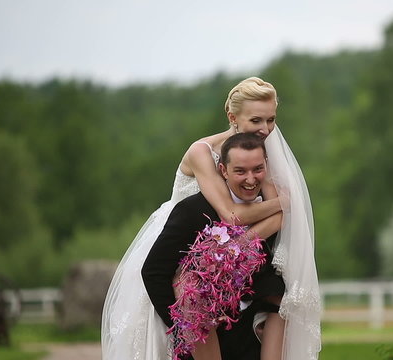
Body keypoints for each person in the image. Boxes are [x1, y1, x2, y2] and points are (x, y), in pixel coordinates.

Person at [101, 77, 321, 360]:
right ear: (233, 117)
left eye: (271, 120)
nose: (265, 129)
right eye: (256, 120)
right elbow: (232, 214)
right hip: (183, 238)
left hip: (223, 246)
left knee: (280, 298)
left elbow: (279, 217)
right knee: (177, 311)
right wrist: (282, 203)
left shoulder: (259, 155)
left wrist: (274, 215)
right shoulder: (202, 152)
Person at [142, 133, 285, 360]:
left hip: (250, 336)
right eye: (240, 171)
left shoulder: (271, 211)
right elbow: (153, 272)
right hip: (203, 339)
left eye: (257, 169)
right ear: (223, 171)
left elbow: (271, 269)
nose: (250, 179)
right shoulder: (192, 210)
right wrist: (184, 327)